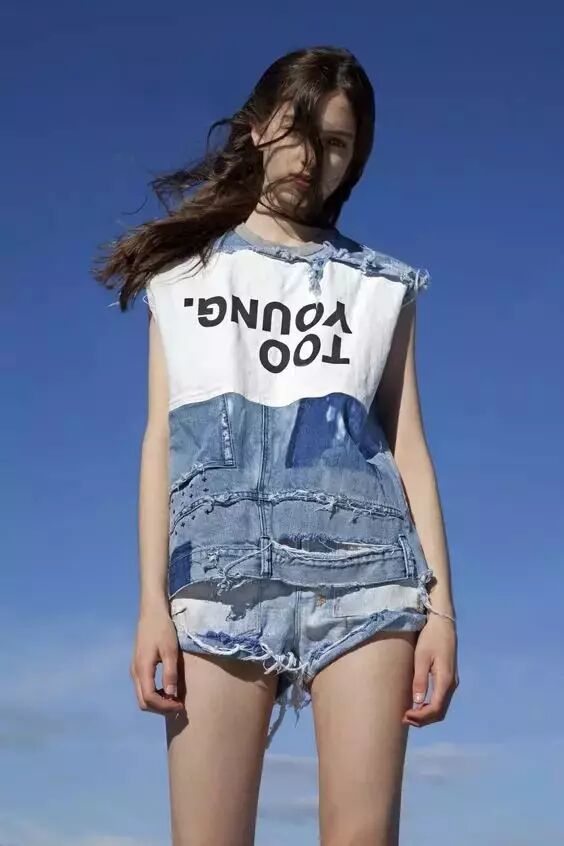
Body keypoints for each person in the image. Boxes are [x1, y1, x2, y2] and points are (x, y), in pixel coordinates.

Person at [94, 44, 459, 846]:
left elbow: (408, 446)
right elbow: (160, 441)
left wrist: (442, 614)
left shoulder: (381, 286)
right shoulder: (183, 277)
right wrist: (151, 604)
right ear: (259, 128)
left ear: (354, 159)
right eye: (297, 130)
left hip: (368, 580)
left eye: (337, 143)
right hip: (216, 578)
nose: (310, 158)